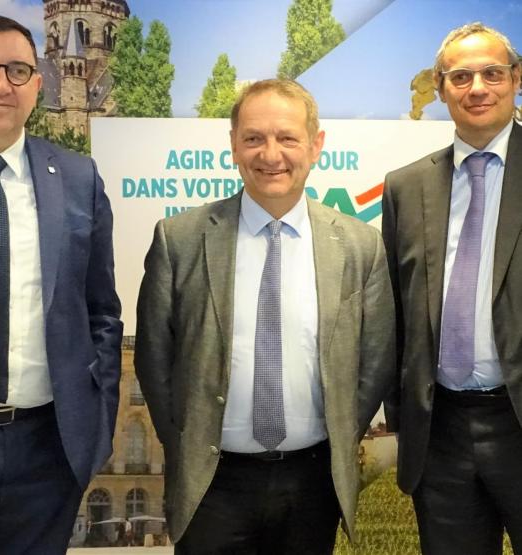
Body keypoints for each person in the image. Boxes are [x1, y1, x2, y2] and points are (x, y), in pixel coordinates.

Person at [135, 78, 395, 554]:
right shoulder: (181, 239)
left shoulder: (361, 245)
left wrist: (337, 433)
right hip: (212, 485)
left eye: (287, 138)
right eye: (253, 138)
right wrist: (186, 440)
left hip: (313, 483)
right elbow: (154, 359)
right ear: (233, 145)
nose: (270, 154)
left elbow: (375, 364)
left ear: (315, 146)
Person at [0, 15, 122, 554]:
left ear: (42, 83)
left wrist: (94, 428)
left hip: (45, 453)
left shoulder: (79, 178)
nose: (1, 83)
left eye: (18, 70)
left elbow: (102, 310)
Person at [383, 22, 522, 555]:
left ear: (515, 79)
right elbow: (396, 311)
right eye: (460, 77)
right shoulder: (405, 186)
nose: (478, 88)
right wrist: (404, 417)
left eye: (492, 73)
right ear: (440, 89)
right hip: (439, 434)